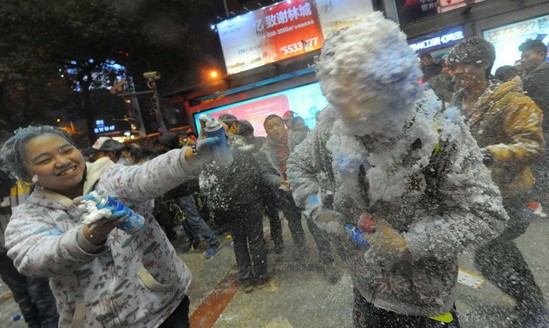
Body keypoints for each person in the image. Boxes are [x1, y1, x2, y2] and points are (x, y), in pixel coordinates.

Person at [286, 12, 508, 327]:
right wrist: (321, 211)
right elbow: (297, 166)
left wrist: (408, 245)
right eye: (338, 98)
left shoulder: (439, 129)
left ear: (395, 82)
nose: (350, 114)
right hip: (363, 288)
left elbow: (487, 214)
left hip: (424, 305)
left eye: (362, 98)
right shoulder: (331, 124)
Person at [0, 125, 215, 327]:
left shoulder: (111, 178)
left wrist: (192, 154)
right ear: (26, 175)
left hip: (162, 306)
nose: (62, 161)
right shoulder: (29, 216)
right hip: (97, 322)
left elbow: (147, 174)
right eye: (45, 159)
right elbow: (34, 259)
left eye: (67, 150)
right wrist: (88, 235)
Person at [448, 37, 547, 327]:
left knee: (491, 253)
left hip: (510, 193)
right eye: (454, 67)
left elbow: (532, 146)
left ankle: (534, 308)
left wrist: (489, 155)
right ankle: (531, 305)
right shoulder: (457, 103)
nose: (457, 72)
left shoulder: (511, 100)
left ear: (484, 65)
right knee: (494, 252)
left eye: (464, 65)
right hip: (480, 195)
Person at [258, 114, 339, 283]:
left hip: (308, 191)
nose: (275, 129)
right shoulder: (264, 151)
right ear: (266, 131)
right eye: (270, 127)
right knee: (294, 225)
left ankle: (327, 261)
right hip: (286, 194)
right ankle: (303, 254)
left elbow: (317, 157)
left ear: (284, 125)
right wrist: (278, 181)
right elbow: (264, 173)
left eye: (277, 125)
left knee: (317, 224)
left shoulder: (300, 137)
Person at [200, 117, 269, 293]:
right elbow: (256, 173)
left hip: (229, 206)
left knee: (239, 241)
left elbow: (206, 186)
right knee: (255, 238)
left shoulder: (208, 158)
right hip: (250, 200)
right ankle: (261, 276)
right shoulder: (241, 149)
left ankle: (245, 279)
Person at [0, 170, 59, 328]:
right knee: (22, 297)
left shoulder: (19, 187)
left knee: (39, 294)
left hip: (26, 248)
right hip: (3, 257)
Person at [157, 132, 223, 259]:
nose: (159, 147)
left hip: (183, 192)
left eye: (161, 145)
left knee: (194, 219)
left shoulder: (178, 155)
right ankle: (194, 239)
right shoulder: (173, 154)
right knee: (183, 219)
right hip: (175, 193)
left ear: (166, 145)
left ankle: (213, 242)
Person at [519, 39, 549, 205]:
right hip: (539, 127)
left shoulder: (543, 75)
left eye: (526, 56)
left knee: (543, 162)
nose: (523, 60)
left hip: (544, 127)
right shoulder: (531, 74)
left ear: (541, 55)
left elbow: (542, 104)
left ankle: (544, 197)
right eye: (522, 57)